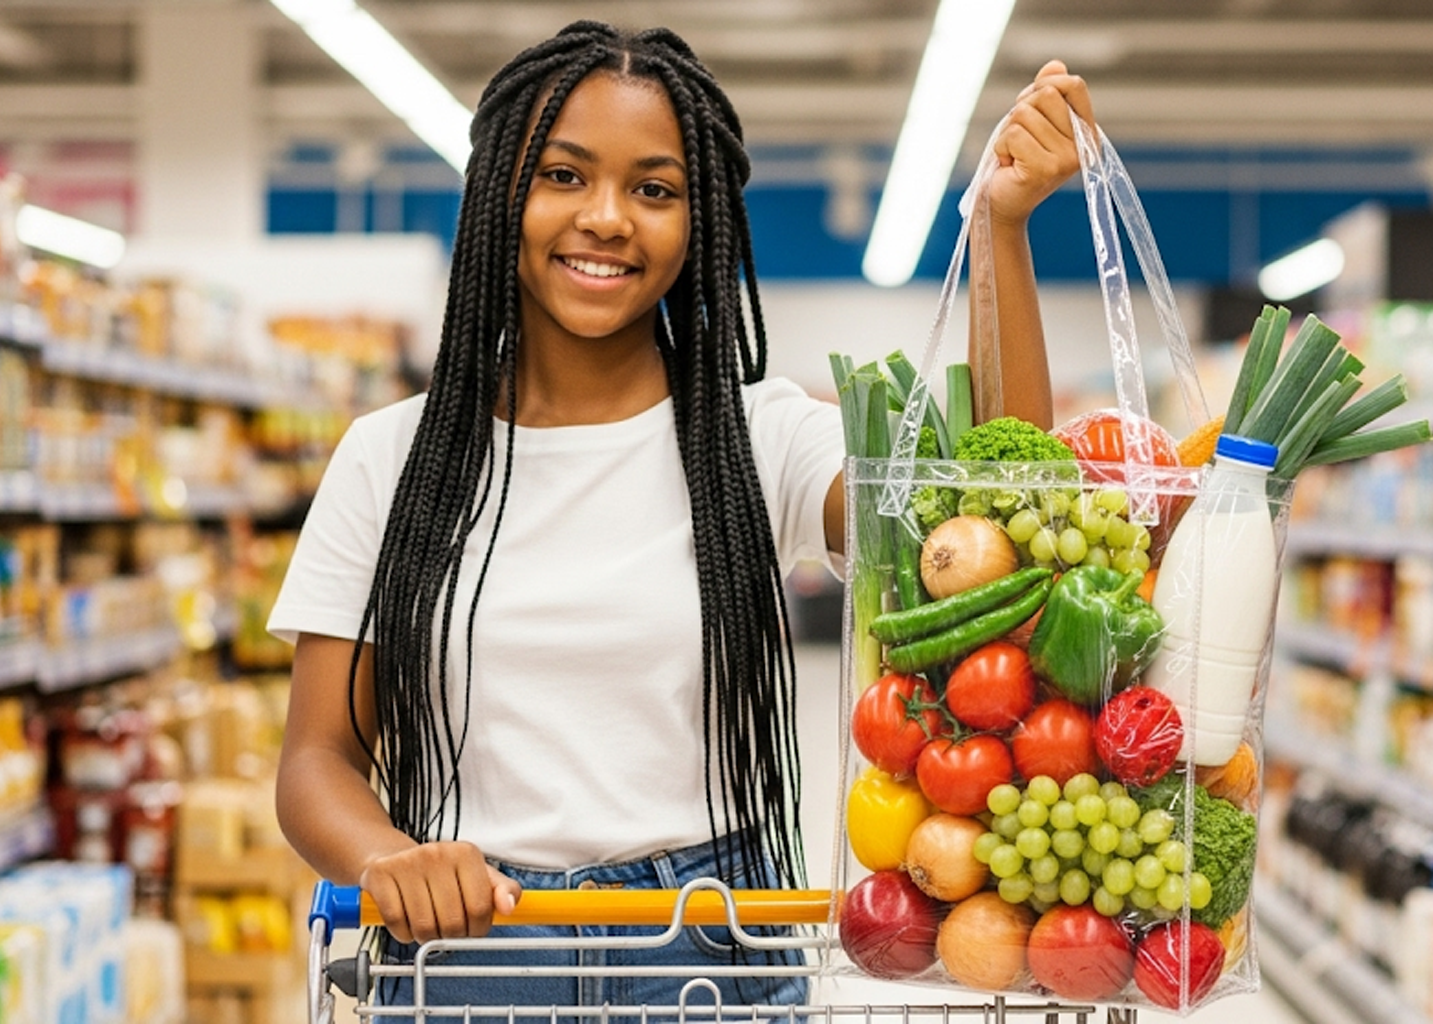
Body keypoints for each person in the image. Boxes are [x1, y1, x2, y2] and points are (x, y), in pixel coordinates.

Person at [269, 19, 1096, 1015]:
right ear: (499, 196)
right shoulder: (390, 458)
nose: (608, 217)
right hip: (475, 949)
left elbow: (1001, 517)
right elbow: (317, 759)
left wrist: (1000, 229)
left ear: (697, 222)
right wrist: (388, 858)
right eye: (564, 175)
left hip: (710, 945)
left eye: (654, 189)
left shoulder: (761, 440)